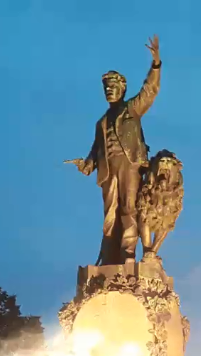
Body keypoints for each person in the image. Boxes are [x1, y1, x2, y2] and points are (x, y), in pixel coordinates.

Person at [66, 36, 161, 265]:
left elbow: (150, 91)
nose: (109, 91)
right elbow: (96, 150)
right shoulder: (101, 122)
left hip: (130, 165)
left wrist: (156, 64)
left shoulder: (132, 109)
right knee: (110, 215)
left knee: (129, 209)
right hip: (109, 170)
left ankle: (127, 255)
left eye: (113, 87)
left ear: (123, 89)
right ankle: (109, 257)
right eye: (106, 88)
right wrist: (86, 164)